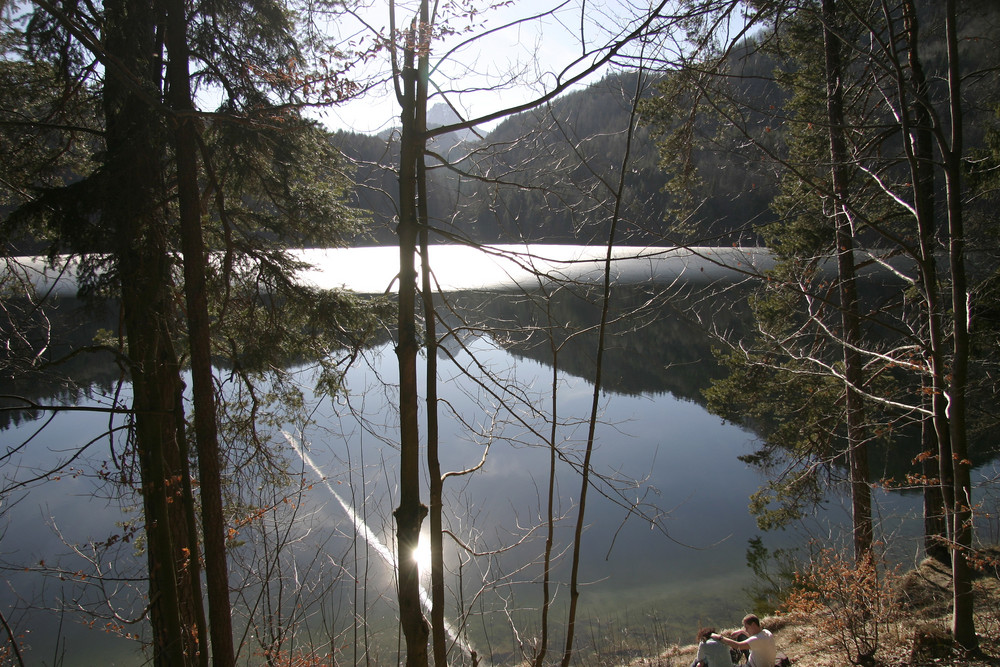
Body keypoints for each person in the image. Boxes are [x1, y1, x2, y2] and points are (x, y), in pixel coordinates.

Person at [712, 614, 776, 667]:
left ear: (753, 625)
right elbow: (754, 641)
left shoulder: (757, 639)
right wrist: (742, 632)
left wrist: (720, 637)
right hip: (761, 662)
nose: (746, 630)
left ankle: (731, 663)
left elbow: (737, 646)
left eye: (747, 627)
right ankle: (733, 660)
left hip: (752, 665)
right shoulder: (766, 632)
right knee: (741, 637)